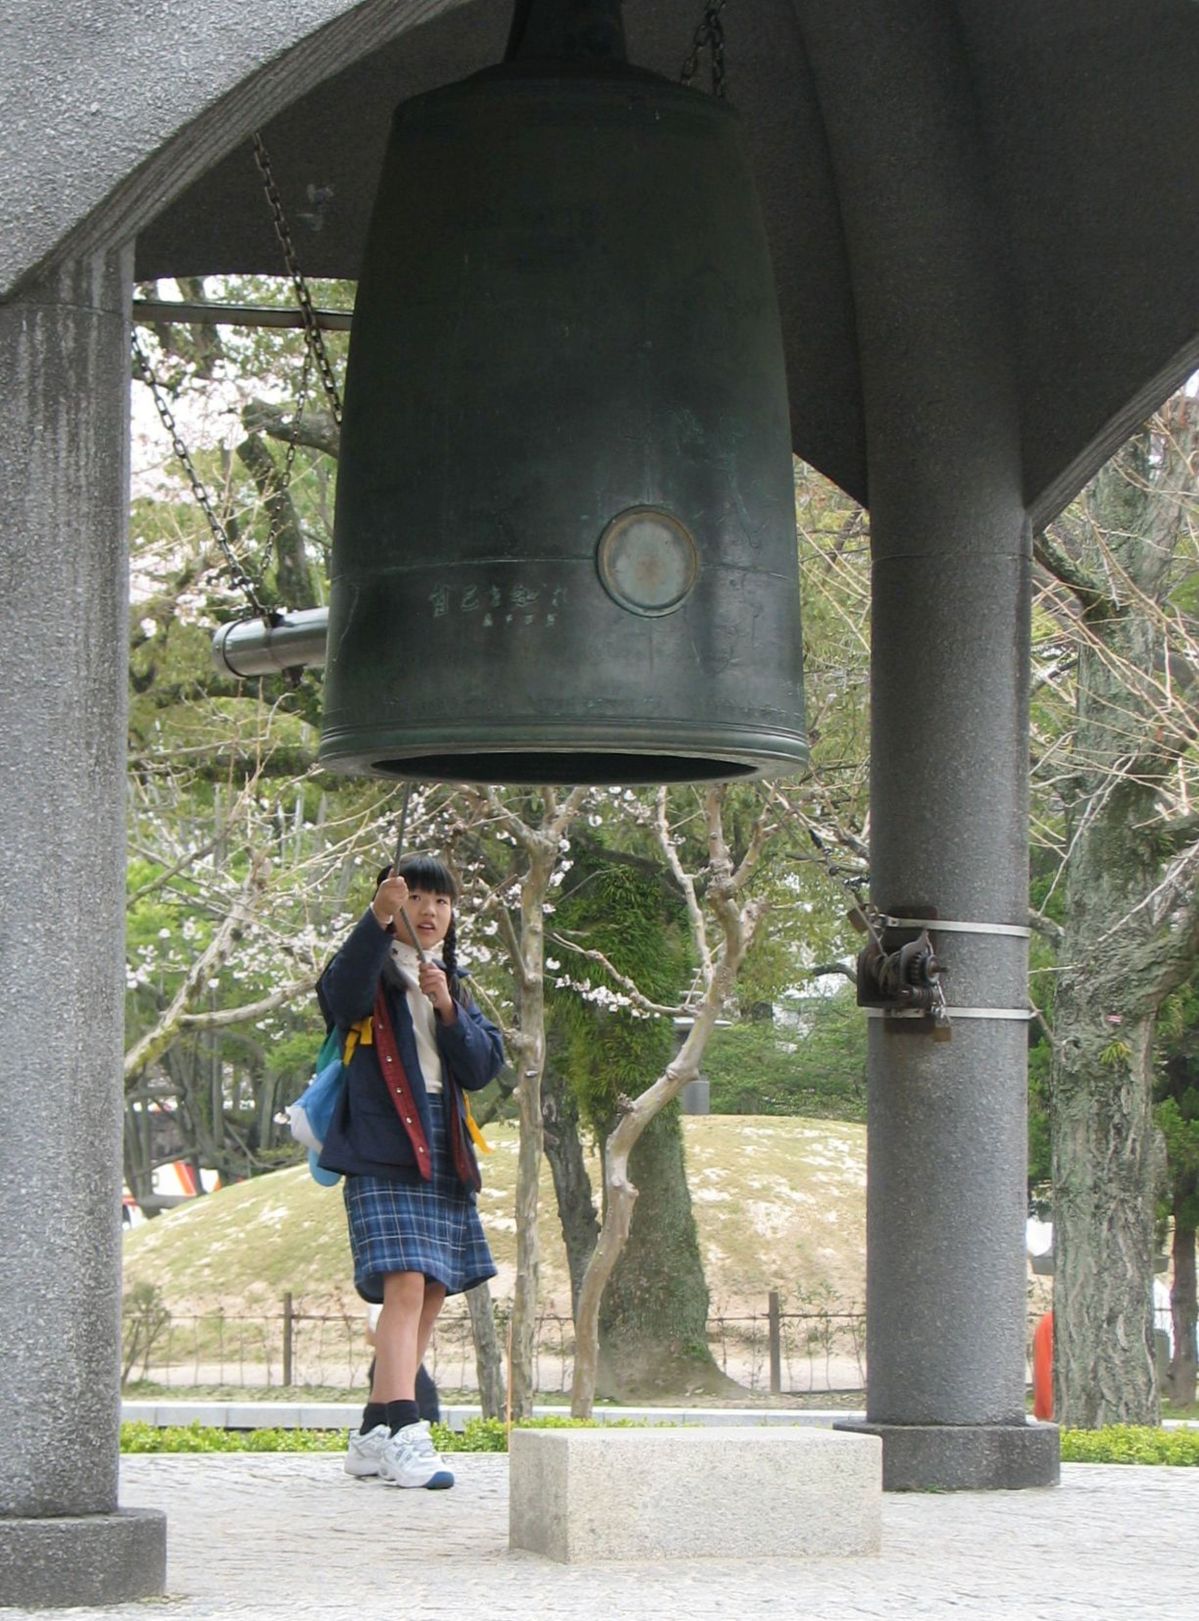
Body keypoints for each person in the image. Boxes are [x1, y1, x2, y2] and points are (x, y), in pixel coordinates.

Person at [317, 855, 503, 1489]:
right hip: (381, 1139)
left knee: (429, 1291)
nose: (429, 911)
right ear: (392, 903)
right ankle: (404, 1426)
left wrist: (448, 1007)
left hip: (443, 1142)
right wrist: (373, 918)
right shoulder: (366, 969)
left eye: (442, 901)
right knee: (403, 1286)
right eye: (415, 897)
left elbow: (481, 1068)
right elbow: (339, 1000)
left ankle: (372, 1430)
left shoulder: (448, 978)